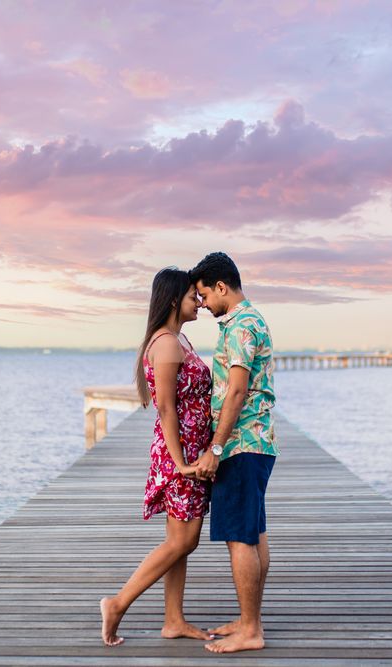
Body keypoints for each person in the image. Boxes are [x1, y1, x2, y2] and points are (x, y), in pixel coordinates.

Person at [100, 267, 214, 646]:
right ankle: (117, 603)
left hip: (188, 450)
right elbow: (166, 408)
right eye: (191, 297)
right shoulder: (166, 343)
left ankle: (173, 620)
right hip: (179, 453)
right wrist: (181, 462)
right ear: (171, 300)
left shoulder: (178, 340)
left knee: (178, 539)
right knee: (184, 541)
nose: (197, 302)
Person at [189, 251, 278, 654]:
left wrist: (215, 447)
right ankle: (248, 620)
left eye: (205, 295)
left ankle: (252, 631)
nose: (203, 304)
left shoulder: (242, 325)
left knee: (240, 539)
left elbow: (237, 391)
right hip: (256, 443)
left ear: (222, 287)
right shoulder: (250, 320)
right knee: (253, 532)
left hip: (241, 444)